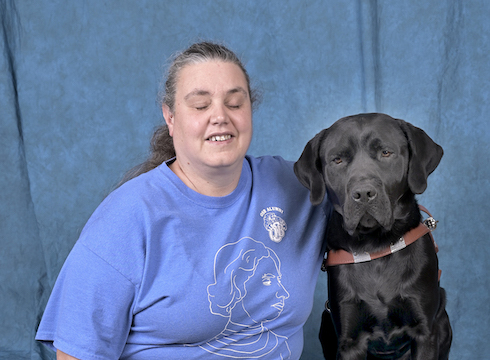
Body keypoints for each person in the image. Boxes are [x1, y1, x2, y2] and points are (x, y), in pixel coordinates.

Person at [36, 41, 329, 360]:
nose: (220, 116)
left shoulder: (301, 187)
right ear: (170, 118)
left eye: (234, 103)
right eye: (201, 106)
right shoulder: (127, 218)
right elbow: (76, 354)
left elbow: (381, 216)